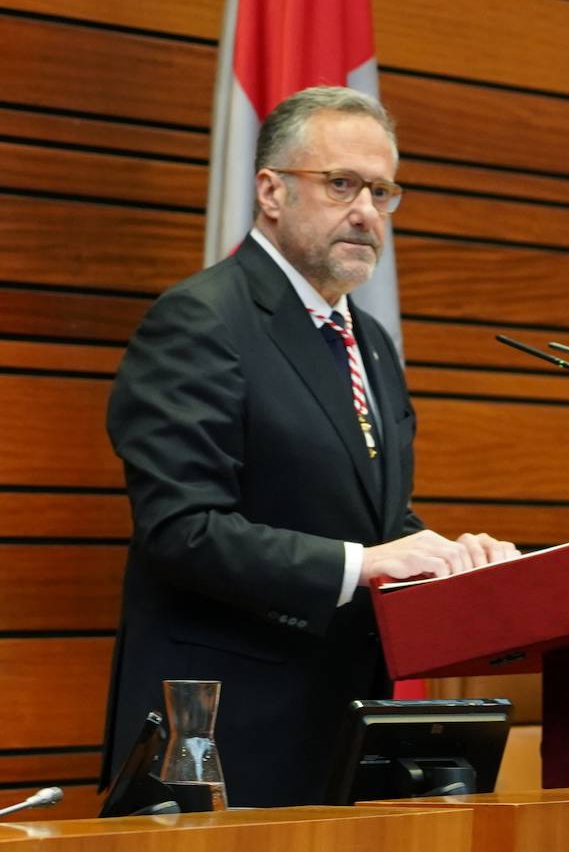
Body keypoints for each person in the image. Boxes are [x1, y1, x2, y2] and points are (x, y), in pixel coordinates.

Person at [99, 86, 518, 807]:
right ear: (271, 190)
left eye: (382, 191)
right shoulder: (201, 322)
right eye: (340, 183)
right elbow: (181, 531)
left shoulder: (370, 343)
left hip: (342, 722)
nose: (365, 211)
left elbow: (373, 522)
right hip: (219, 730)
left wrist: (451, 557)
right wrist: (365, 562)